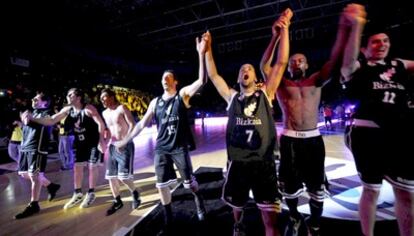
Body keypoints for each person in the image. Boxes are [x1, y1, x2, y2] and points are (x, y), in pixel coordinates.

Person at [260, 4, 357, 236]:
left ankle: (314, 223)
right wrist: (275, 38)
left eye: (300, 60)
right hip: (289, 140)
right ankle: (294, 216)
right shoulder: (281, 84)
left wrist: (344, 30)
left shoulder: (316, 80)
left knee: (316, 190)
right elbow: (265, 67)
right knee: (290, 190)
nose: (295, 63)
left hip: (313, 140)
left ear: (307, 64)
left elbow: (335, 61)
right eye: (292, 61)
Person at [204, 8, 291, 236]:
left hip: (264, 163)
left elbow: (281, 63)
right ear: (238, 77)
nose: (246, 70)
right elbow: (213, 75)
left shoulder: (267, 93)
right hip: (238, 163)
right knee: (237, 205)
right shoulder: (231, 97)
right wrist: (207, 49)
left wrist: (285, 31)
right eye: (242, 69)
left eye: (250, 69)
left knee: (270, 220)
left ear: (255, 77)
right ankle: (238, 223)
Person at [113, 36, 207, 231]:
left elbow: (201, 80)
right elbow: (140, 125)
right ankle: (168, 218)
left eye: (168, 78)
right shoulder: (155, 102)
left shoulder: (182, 96)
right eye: (162, 78)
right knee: (161, 185)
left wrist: (201, 54)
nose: (164, 80)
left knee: (190, 185)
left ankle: (198, 198)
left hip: (179, 148)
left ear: (175, 82)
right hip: (162, 148)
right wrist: (124, 140)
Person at [340, 4, 414, 236]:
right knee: (371, 190)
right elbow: (346, 64)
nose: (381, 44)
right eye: (375, 42)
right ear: (364, 49)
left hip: (398, 135)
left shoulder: (399, 65)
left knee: (406, 193)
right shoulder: (360, 67)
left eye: (385, 41)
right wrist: (356, 26)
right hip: (367, 135)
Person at [29, 88, 106, 209]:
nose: (67, 97)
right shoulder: (68, 109)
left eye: (70, 95)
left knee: (92, 167)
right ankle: (77, 193)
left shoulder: (88, 109)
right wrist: (33, 118)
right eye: (67, 95)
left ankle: (91, 193)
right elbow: (51, 120)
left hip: (93, 142)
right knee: (77, 168)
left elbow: (101, 124)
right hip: (80, 143)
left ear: (78, 97)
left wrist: (101, 141)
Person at [14, 91, 61, 219]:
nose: (33, 101)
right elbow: (27, 127)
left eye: (36, 99)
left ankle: (34, 204)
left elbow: (48, 122)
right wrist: (22, 122)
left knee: (34, 175)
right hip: (25, 147)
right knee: (24, 174)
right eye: (33, 99)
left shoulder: (47, 113)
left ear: (44, 102)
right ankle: (51, 186)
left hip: (37, 148)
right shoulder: (32, 113)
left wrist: (28, 117)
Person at [100, 88, 141, 216]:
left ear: (112, 97)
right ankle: (117, 201)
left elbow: (132, 125)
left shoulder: (122, 108)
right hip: (113, 146)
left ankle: (135, 192)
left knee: (124, 177)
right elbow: (108, 130)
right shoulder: (105, 113)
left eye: (104, 97)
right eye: (101, 98)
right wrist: (103, 142)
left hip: (126, 145)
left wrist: (124, 141)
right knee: (111, 177)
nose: (102, 100)